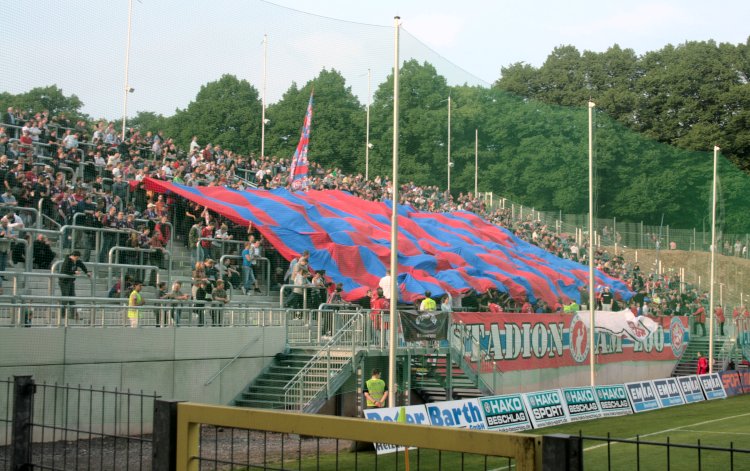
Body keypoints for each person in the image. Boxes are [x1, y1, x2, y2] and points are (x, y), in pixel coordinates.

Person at [59, 250, 90, 320]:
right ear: (74, 256)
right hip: (64, 282)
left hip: (71, 282)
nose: (77, 259)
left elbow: (82, 265)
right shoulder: (67, 261)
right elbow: (65, 271)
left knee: (72, 298)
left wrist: (86, 272)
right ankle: (62, 315)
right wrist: (74, 272)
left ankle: (73, 315)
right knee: (65, 298)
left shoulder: (76, 261)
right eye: (77, 258)